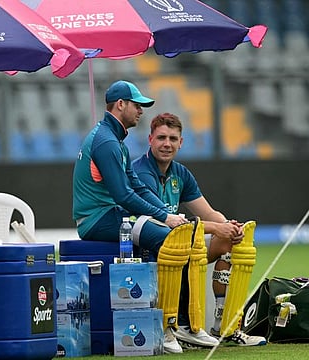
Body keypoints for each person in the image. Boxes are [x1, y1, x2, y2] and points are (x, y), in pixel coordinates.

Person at [72, 81, 218, 354]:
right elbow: (124, 197)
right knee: (172, 242)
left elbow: (136, 188)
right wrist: (164, 217)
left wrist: (167, 216)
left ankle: (185, 326)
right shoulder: (106, 142)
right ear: (120, 105)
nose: (140, 111)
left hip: (110, 214)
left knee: (177, 237)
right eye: (137, 105)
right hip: (99, 219)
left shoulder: (114, 140)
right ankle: (167, 327)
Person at [132, 112, 267, 347]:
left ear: (181, 142)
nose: (167, 144)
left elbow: (208, 212)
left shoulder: (180, 173)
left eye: (173, 139)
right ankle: (176, 325)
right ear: (150, 139)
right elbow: (166, 222)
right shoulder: (142, 171)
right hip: (149, 250)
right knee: (184, 244)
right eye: (161, 137)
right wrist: (216, 227)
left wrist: (228, 227)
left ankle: (222, 326)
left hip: (179, 246)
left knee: (229, 243)